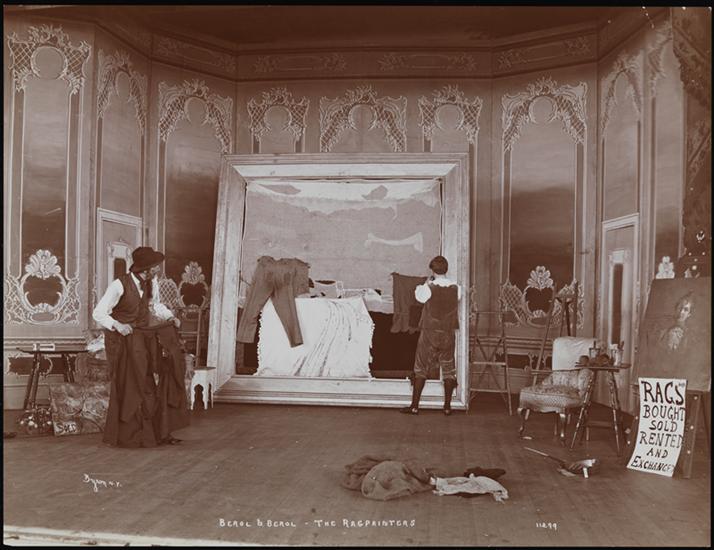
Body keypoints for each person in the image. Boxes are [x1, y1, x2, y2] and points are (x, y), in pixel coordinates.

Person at [93, 246, 189, 448]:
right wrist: (118, 325)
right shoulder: (119, 285)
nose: (157, 269)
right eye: (155, 266)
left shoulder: (151, 283)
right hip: (122, 341)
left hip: (142, 339)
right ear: (146, 268)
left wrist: (170, 317)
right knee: (132, 385)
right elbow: (98, 313)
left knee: (148, 382)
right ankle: (130, 436)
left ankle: (154, 433)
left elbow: (155, 306)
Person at [400, 255, 460, 416]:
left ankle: (414, 406)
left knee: (421, 368)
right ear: (446, 269)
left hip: (429, 332)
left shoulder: (428, 287)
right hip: (448, 333)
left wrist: (427, 282)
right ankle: (447, 407)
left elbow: (419, 297)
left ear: (432, 270)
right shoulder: (457, 288)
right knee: (449, 368)